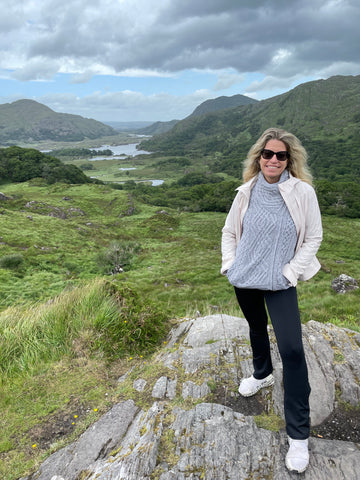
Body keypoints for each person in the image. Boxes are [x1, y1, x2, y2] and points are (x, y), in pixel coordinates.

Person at [221, 127, 323, 473]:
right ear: (259, 158)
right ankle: (262, 372)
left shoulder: (302, 192)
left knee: (293, 350)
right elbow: (230, 231)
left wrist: (290, 272)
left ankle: (298, 436)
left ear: (289, 160)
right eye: (268, 154)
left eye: (281, 155)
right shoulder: (246, 191)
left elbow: (313, 236)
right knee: (255, 327)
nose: (274, 160)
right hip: (245, 277)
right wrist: (230, 264)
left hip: (280, 281)